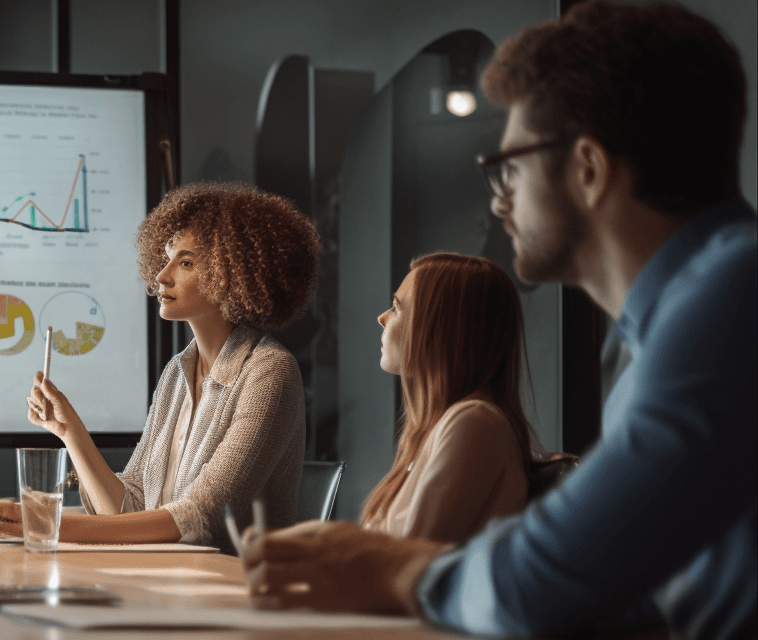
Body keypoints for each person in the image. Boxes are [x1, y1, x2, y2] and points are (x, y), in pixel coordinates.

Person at [243, 3, 755, 639]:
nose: (497, 198)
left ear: (589, 170)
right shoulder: (674, 321)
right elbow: (631, 592)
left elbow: (547, 575)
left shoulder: (730, 303)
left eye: (510, 166)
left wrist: (394, 570)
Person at [0, 182, 321, 550]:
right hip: (174, 583)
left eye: (185, 263)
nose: (162, 275)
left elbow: (201, 516)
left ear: (235, 275)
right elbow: (131, 507)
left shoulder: (270, 373)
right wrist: (70, 433)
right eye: (166, 258)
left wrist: (48, 522)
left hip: (235, 590)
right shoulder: (178, 372)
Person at [362, 252, 538, 544]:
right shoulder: (443, 424)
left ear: (441, 328)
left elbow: (406, 562)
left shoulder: (475, 422)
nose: (381, 318)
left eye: (396, 307)